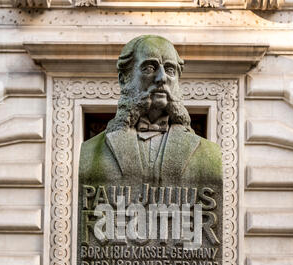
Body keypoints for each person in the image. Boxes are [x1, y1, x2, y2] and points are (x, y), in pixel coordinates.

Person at [79, 35, 222, 188]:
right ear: (123, 79)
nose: (161, 78)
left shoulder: (208, 153)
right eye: (149, 68)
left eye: (169, 70)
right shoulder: (91, 151)